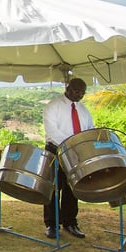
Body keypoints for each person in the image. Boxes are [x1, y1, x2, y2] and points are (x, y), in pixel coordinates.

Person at [43, 77, 94, 239]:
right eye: (77, 91)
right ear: (68, 88)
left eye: (83, 93)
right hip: (56, 150)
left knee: (72, 188)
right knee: (53, 188)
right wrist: (70, 145)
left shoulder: (84, 110)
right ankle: (52, 224)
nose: (80, 95)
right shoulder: (53, 106)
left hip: (76, 152)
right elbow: (52, 131)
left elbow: (89, 130)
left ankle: (70, 222)